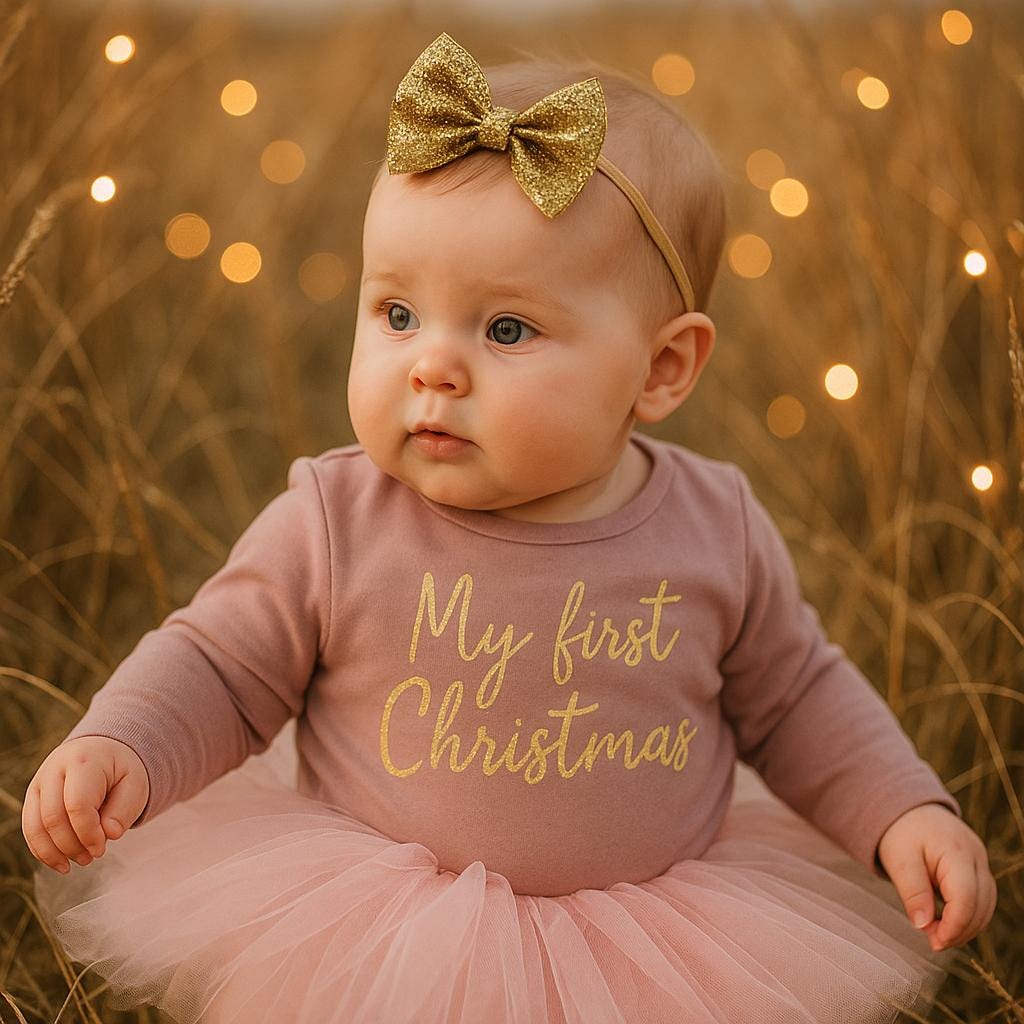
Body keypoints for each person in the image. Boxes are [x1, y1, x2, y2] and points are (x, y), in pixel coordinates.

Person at [24, 31, 996, 1024]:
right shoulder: (336, 520)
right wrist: (128, 742)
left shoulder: (716, 528)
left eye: (505, 329)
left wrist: (900, 808)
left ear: (661, 369)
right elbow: (222, 667)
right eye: (397, 313)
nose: (431, 366)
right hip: (391, 942)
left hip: (651, 956)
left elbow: (797, 698)